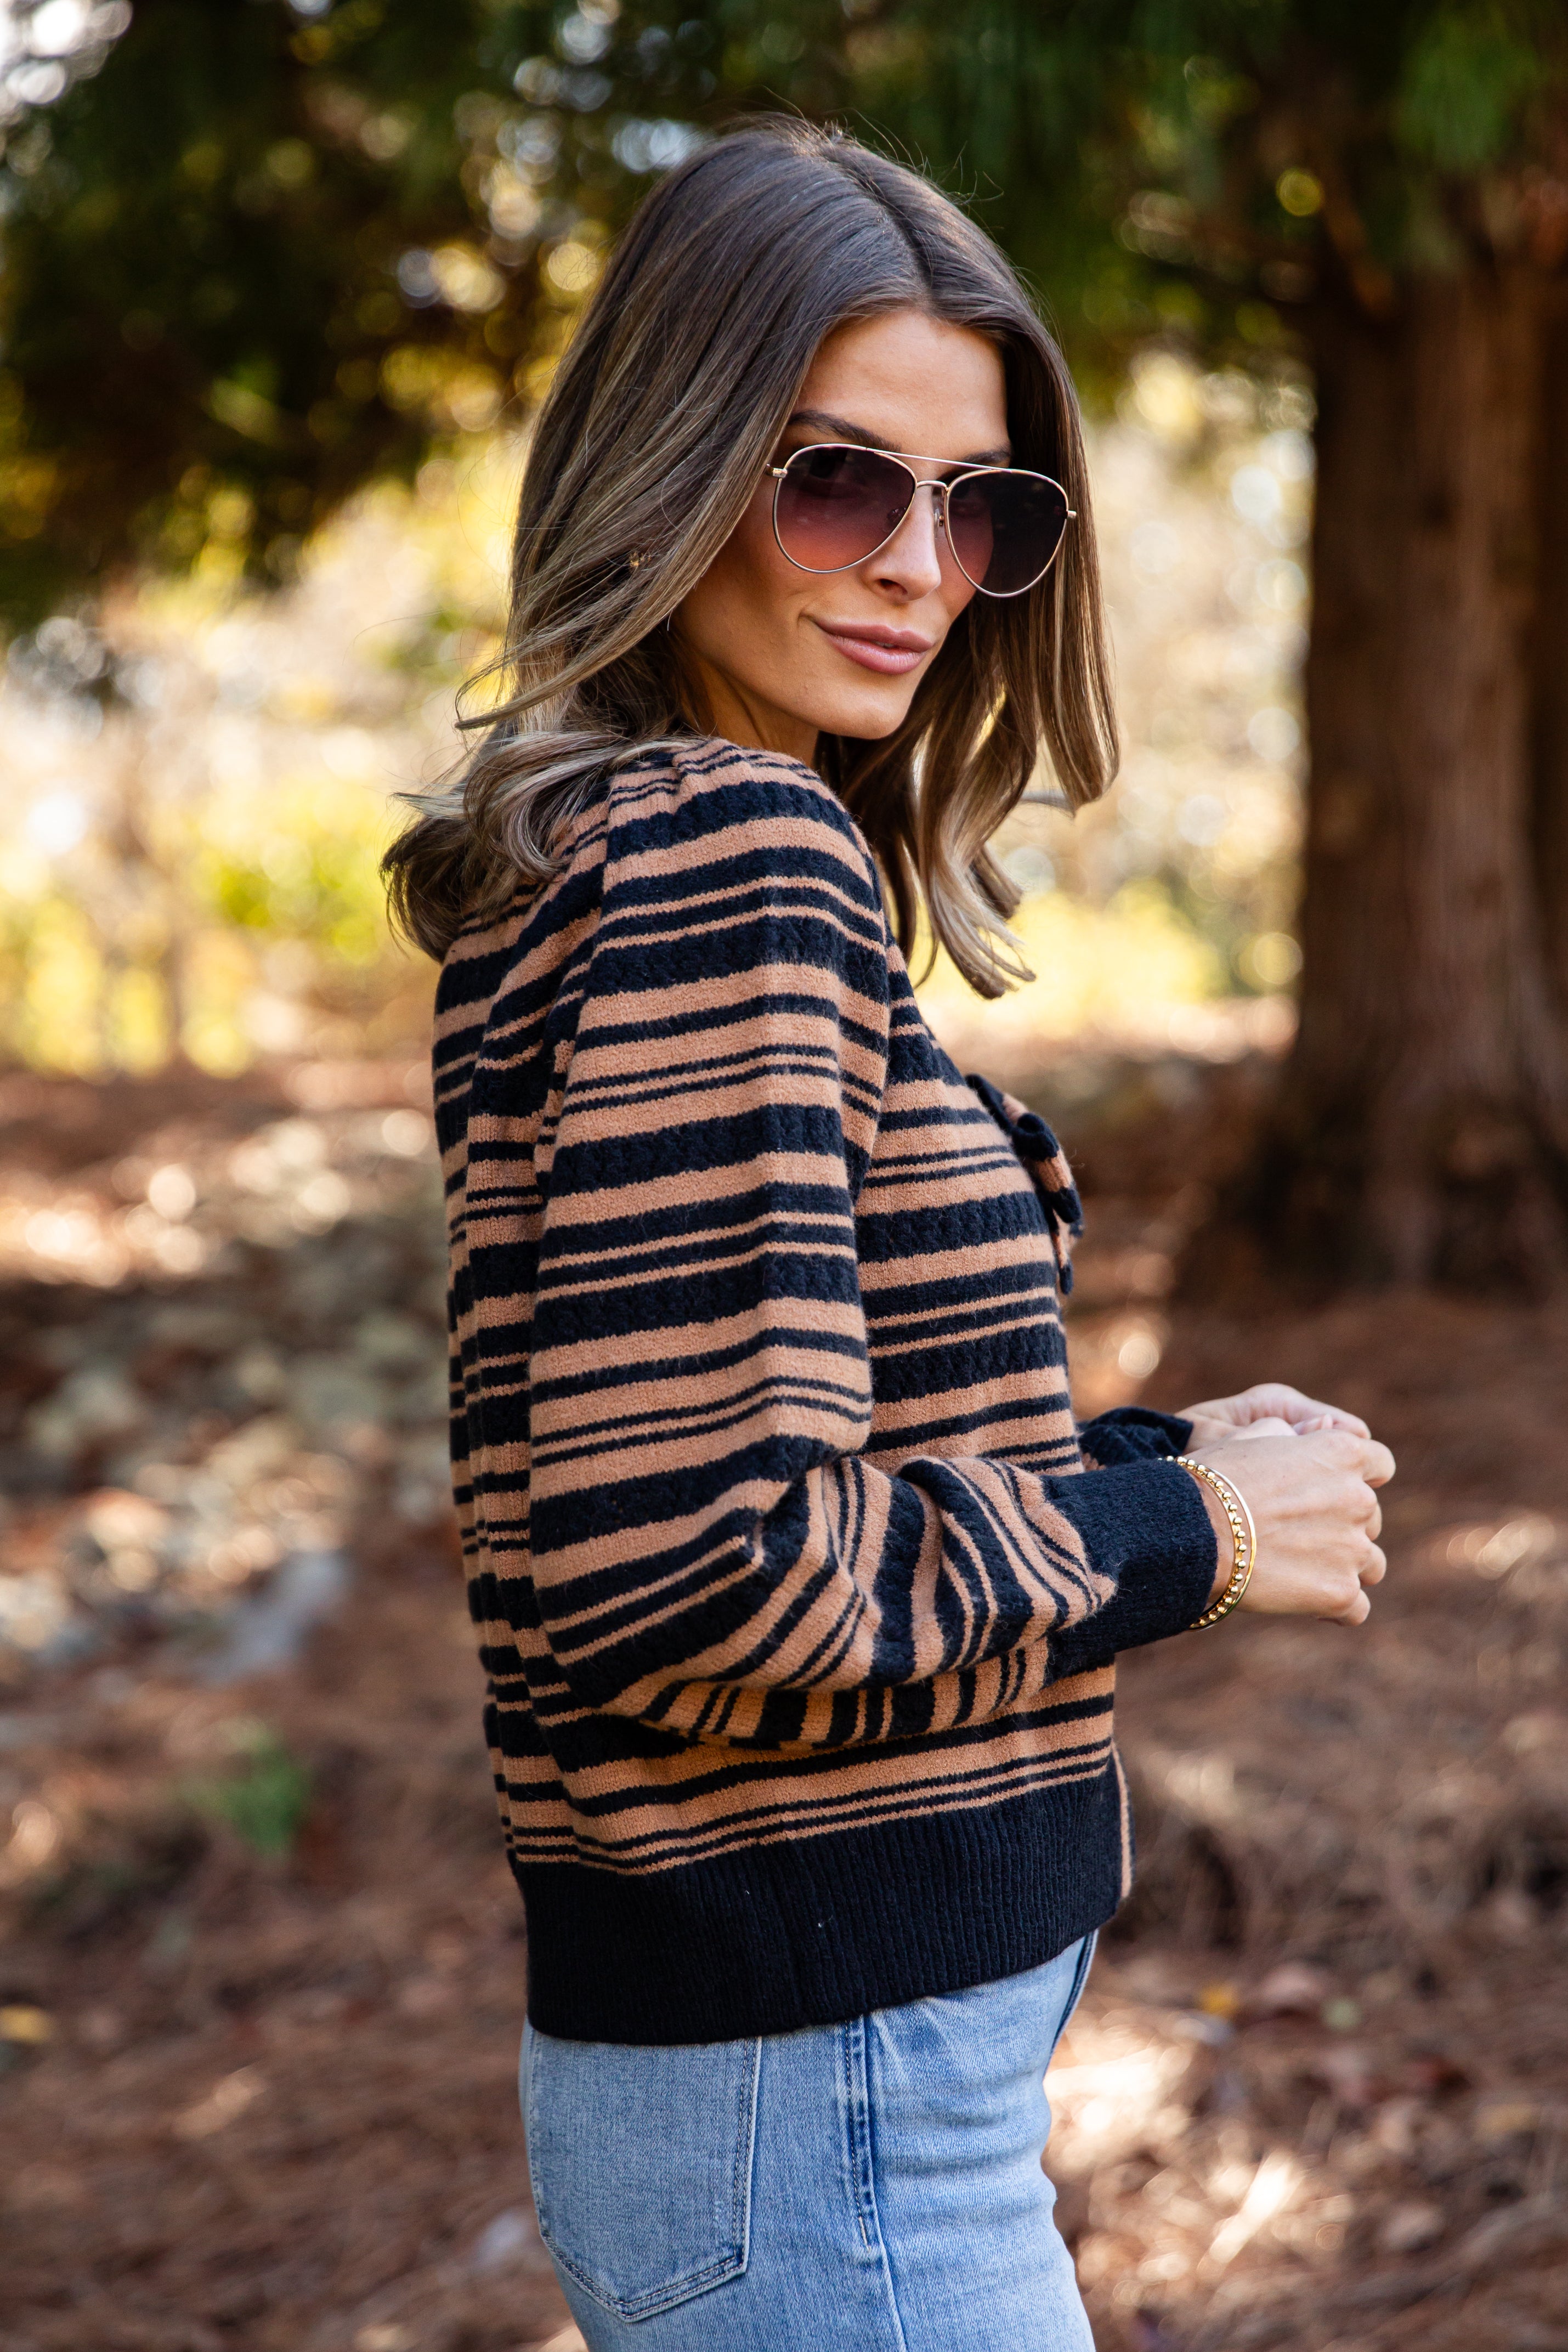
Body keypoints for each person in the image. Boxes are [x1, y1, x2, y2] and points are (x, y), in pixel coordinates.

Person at [383, 120, 1394, 2352]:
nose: (918, 566)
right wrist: (1179, 1537)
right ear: (675, 462)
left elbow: (741, 1484)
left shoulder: (644, 850)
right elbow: (683, 1568)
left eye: (986, 508)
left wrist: (1144, 1469)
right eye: (836, 478)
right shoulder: (729, 857)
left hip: (811, 2099)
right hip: (826, 2104)